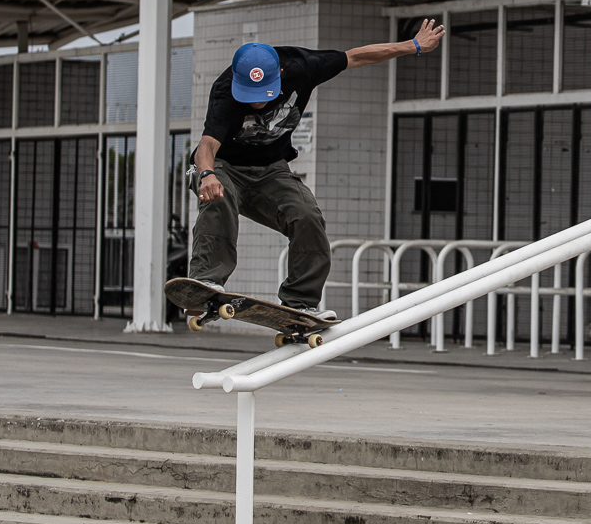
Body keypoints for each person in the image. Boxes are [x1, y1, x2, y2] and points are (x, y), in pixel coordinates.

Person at [186, 18, 446, 317]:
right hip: (222, 166)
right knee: (219, 197)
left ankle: (300, 302)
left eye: (263, 97)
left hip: (271, 169)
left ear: (280, 74)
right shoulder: (225, 91)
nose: (256, 103)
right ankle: (205, 281)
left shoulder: (303, 66)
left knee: (307, 216)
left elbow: (357, 55)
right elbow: (207, 146)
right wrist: (206, 175)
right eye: (250, 97)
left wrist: (412, 45)